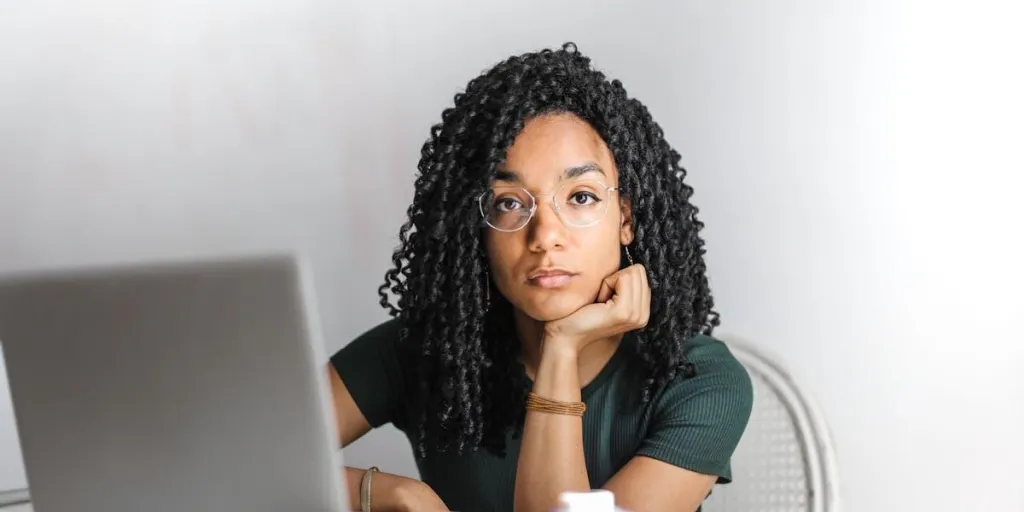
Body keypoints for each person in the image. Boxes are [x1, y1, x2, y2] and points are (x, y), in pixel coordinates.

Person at [327, 42, 753, 512]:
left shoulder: (700, 381)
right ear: (479, 230)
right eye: (509, 203)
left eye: (582, 197)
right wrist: (390, 492)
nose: (545, 236)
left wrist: (562, 347)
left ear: (626, 219)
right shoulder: (427, 350)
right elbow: (239, 456)